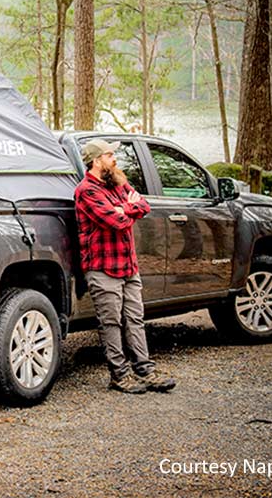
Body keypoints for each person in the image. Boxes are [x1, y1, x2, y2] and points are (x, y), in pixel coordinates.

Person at [74, 139, 176, 394]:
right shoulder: (86, 191)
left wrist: (124, 207)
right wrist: (124, 209)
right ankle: (119, 376)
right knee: (110, 322)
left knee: (135, 319)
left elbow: (144, 206)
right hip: (103, 268)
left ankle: (146, 370)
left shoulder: (117, 182)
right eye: (110, 155)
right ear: (97, 161)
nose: (115, 159)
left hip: (129, 266)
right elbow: (116, 221)